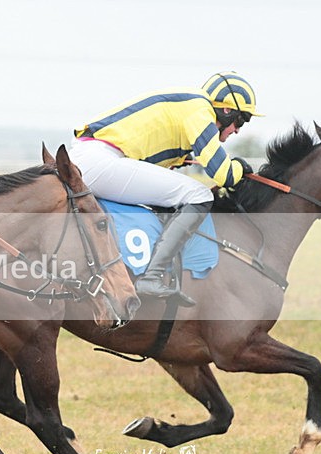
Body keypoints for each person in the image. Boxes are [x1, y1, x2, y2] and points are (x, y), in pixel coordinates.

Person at [70, 71, 261, 306]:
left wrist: (181, 159)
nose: (238, 130)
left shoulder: (190, 106)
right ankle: (152, 276)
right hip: (99, 159)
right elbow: (223, 174)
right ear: (226, 110)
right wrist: (240, 169)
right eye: (240, 120)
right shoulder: (200, 111)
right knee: (198, 194)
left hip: (93, 156)